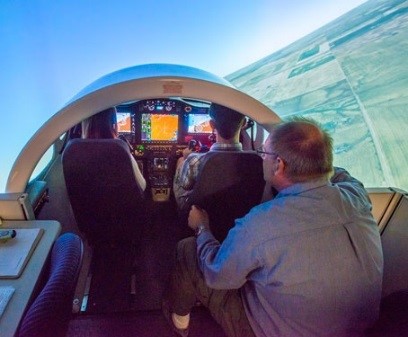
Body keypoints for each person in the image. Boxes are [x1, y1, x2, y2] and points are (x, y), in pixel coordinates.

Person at [163, 117, 383, 337]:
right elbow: (341, 174)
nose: (261, 157)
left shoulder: (260, 223)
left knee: (189, 250)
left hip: (273, 332)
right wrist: (312, 159)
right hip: (357, 330)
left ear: (279, 164)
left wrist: (202, 227)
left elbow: (217, 276)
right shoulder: (356, 196)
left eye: (264, 152)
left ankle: (178, 324)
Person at [173, 103, 246, 210]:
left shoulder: (194, 160)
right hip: (236, 213)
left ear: (211, 124)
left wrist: (186, 159)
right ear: (244, 123)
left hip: (200, 216)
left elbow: (185, 185)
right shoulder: (255, 161)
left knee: (180, 161)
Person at [82, 107, 146, 191]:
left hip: (88, 203)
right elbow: (142, 185)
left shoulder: (74, 152)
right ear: (114, 125)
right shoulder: (120, 150)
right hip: (123, 203)